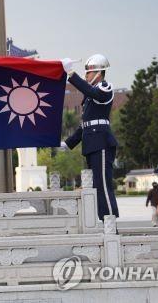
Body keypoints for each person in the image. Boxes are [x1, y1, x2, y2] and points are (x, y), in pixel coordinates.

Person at [61, 54, 119, 221]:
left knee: (103, 185)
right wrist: (67, 143)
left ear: (98, 73)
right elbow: (85, 126)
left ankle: (109, 221)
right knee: (95, 186)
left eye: (87, 73)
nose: (85, 76)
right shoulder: (90, 95)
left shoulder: (104, 88)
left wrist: (70, 74)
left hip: (101, 143)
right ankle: (102, 220)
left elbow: (93, 93)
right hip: (92, 144)